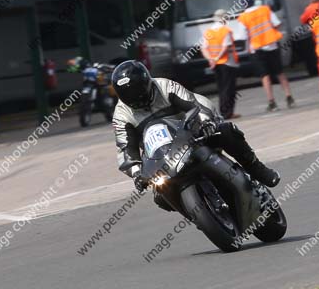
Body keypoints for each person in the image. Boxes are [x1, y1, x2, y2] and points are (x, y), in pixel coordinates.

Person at [111, 60, 280, 211]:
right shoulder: (121, 115)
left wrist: (206, 122)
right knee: (160, 196)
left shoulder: (163, 86)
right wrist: (136, 173)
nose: (136, 98)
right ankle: (199, 214)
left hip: (193, 132)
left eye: (138, 91)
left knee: (226, 131)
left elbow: (194, 103)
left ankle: (256, 168)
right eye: (128, 95)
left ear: (147, 83)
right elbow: (126, 150)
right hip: (163, 156)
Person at [238, 0, 294, 112]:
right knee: (280, 72)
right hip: (271, 45)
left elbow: (243, 36)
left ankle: (272, 102)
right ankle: (289, 97)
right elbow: (277, 24)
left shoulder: (243, 17)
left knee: (265, 76)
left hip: (256, 48)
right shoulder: (265, 9)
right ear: (254, 2)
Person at [203, 9, 240, 120]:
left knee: (221, 88)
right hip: (227, 63)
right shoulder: (225, 30)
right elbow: (225, 47)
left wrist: (210, 59)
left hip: (216, 65)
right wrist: (217, 58)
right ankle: (227, 113)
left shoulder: (208, 31)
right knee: (229, 88)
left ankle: (223, 112)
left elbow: (204, 48)